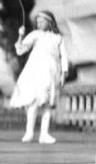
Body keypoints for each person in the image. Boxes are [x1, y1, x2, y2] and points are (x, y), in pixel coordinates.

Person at [10, 11, 69, 144]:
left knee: (47, 103)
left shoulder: (58, 38)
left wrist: (64, 73)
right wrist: (20, 35)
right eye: (37, 21)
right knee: (34, 101)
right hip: (36, 72)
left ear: (50, 22)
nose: (39, 23)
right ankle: (29, 132)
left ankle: (44, 134)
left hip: (51, 72)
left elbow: (63, 56)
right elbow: (21, 50)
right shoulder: (35, 35)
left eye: (42, 21)